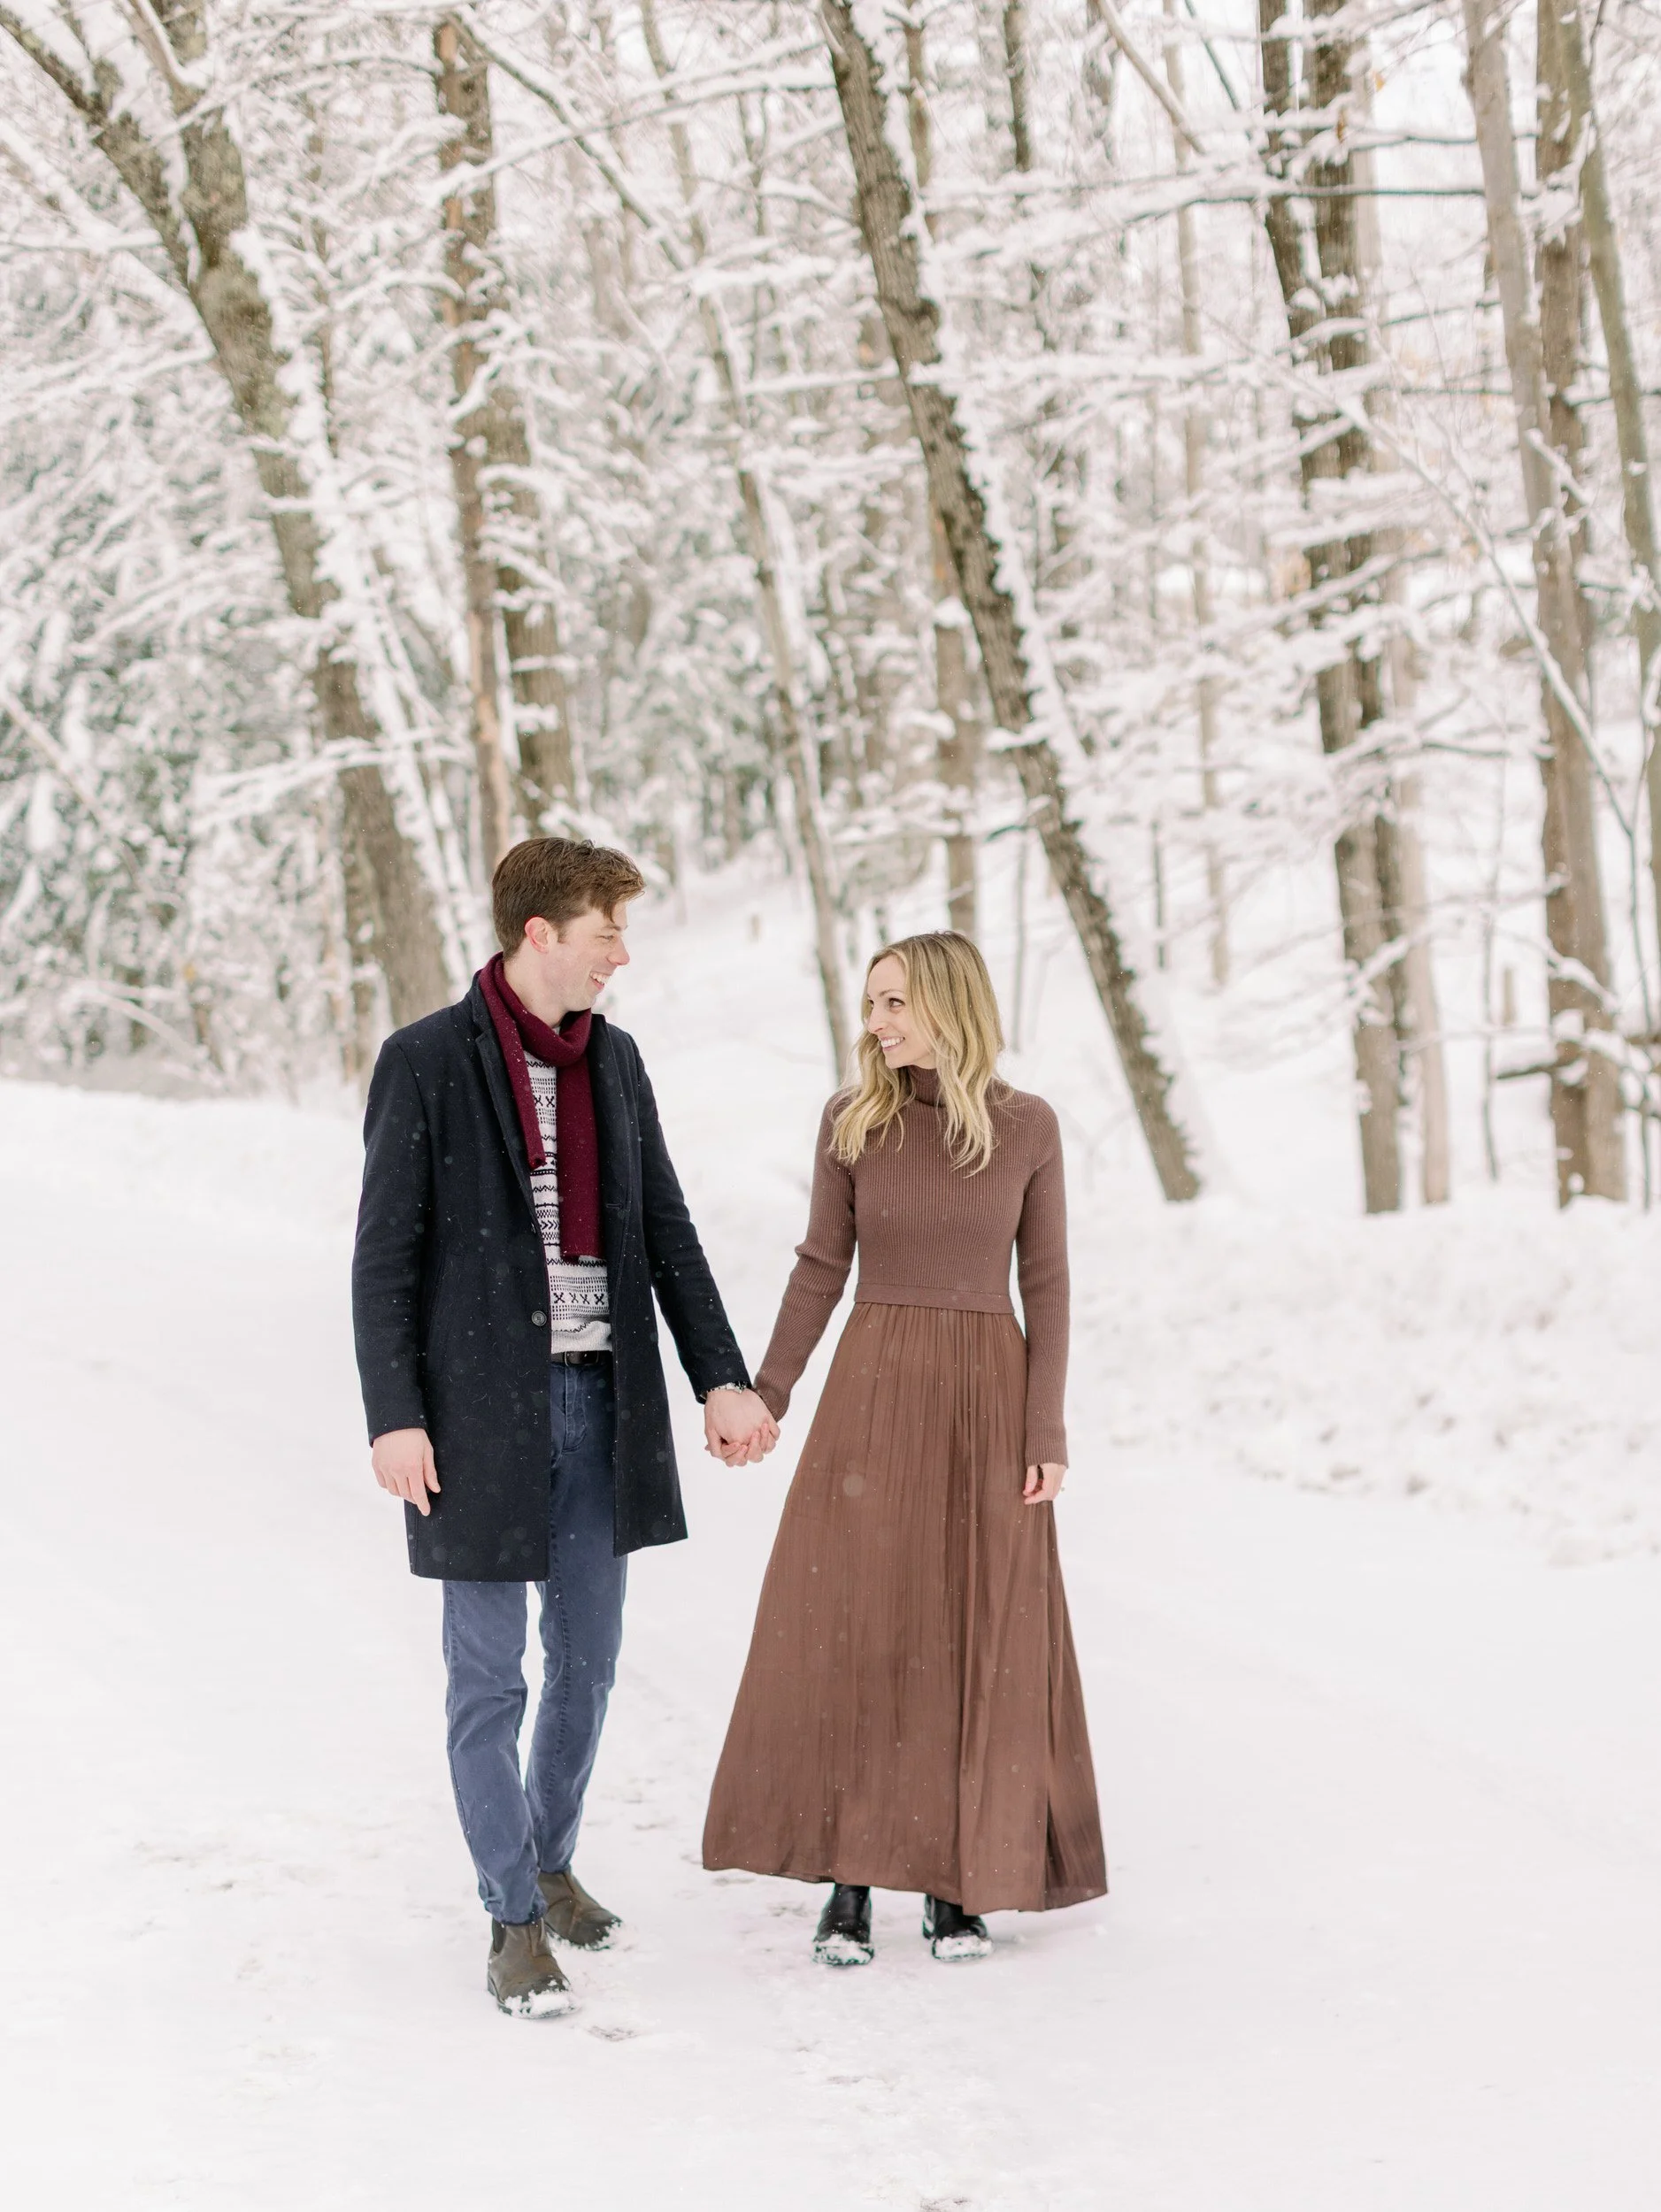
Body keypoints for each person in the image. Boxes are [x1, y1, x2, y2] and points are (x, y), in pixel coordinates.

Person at [352, 836, 777, 2016]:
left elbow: (667, 1232)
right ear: (540, 933)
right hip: (474, 1422)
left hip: (600, 1404)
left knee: (586, 1662)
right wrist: (395, 1417)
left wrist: (720, 1377)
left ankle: (549, 1858)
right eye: (606, 933)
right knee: (488, 1679)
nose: (620, 956)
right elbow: (383, 1259)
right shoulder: (425, 1061)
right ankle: (511, 1917)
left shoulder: (616, 1064)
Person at [703, 931, 1105, 1964]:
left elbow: (1047, 1282)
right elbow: (818, 1265)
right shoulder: (851, 1120)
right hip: (873, 1390)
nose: (874, 1022)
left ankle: (953, 1881)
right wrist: (766, 1391)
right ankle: (847, 1881)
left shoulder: (1026, 1126)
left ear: (946, 1005)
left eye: (893, 1003)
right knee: (859, 1625)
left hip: (988, 1397)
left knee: (972, 1631)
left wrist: (1044, 1427)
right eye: (871, 1002)